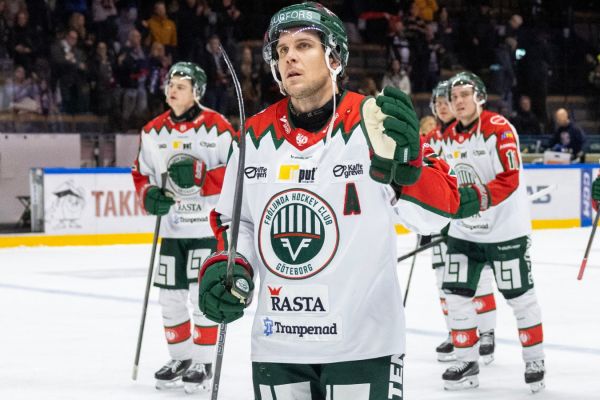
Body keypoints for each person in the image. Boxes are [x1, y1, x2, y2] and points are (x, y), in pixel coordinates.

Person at [197, 2, 459, 399]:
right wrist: (231, 265)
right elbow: (238, 221)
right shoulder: (253, 135)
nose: (289, 57)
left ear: (334, 57)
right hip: (277, 343)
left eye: (303, 45)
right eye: (282, 50)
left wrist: (408, 172)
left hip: (364, 344)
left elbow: (436, 218)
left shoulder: (376, 121)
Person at [131, 62, 236, 393]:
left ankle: (204, 361)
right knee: (170, 299)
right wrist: (149, 195)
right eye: (170, 84)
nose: (172, 89)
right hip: (172, 231)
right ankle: (181, 358)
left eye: (181, 85)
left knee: (201, 296)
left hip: (207, 228)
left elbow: (240, 169)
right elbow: (141, 174)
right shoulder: (152, 131)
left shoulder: (218, 127)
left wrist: (203, 177)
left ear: (197, 91)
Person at [438, 71, 545, 393]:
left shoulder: (498, 128)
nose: (458, 101)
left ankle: (534, 360)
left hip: (505, 233)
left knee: (520, 298)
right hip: (464, 233)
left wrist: (475, 198)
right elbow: (441, 179)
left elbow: (509, 177)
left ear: (480, 97)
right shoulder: (445, 136)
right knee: (455, 295)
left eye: (464, 95)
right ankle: (466, 361)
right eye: (453, 97)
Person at [423, 80, 498, 364]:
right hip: (440, 222)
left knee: (480, 279)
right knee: (444, 281)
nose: (442, 106)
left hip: (469, 221)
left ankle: (487, 332)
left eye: (447, 101)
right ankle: (456, 331)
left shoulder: (471, 136)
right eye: (438, 102)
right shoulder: (429, 140)